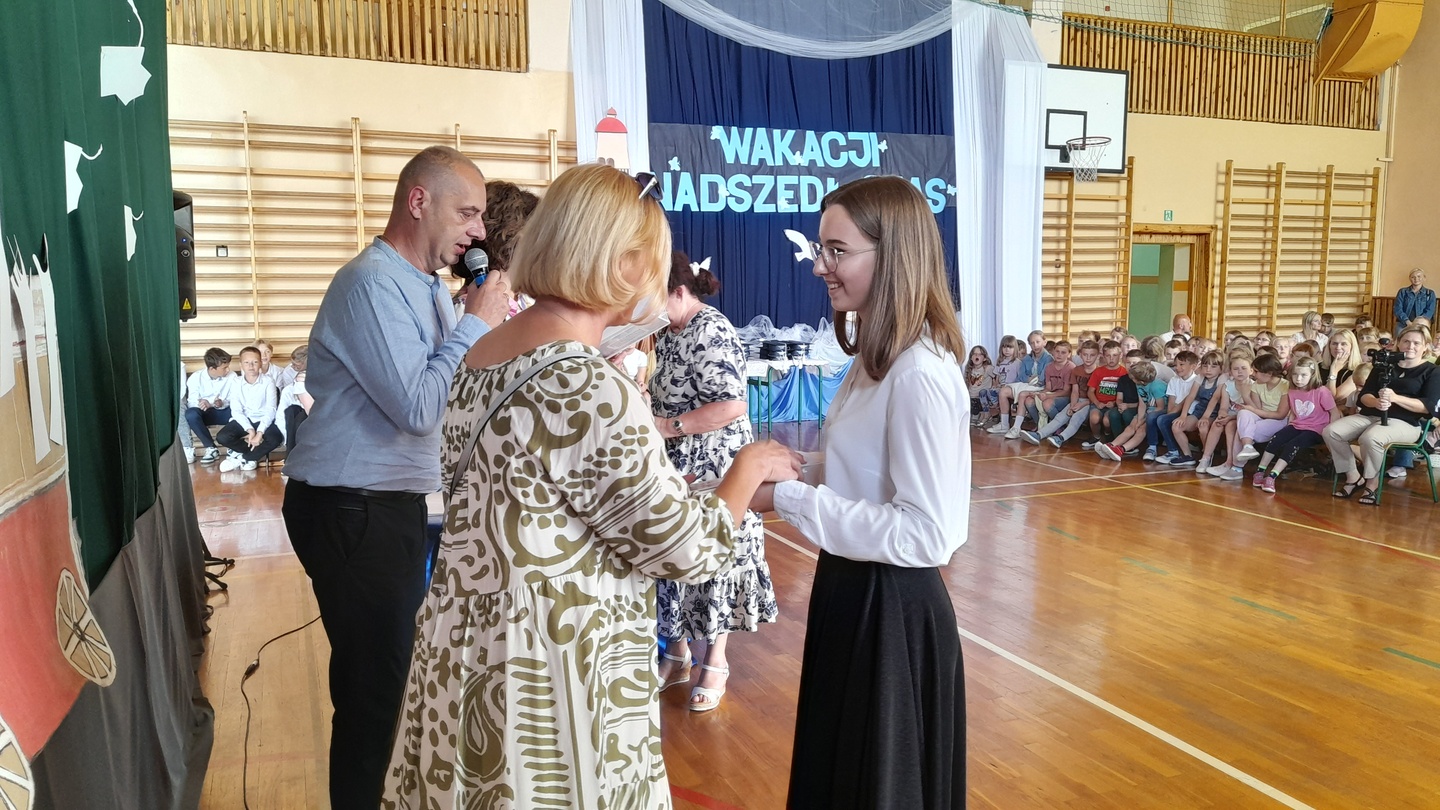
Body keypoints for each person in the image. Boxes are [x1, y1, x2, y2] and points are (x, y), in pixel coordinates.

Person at [381, 163, 801, 807]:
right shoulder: (587, 382)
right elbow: (683, 549)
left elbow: (561, 505)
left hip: (466, 652)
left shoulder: (480, 356)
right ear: (625, 264)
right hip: (548, 673)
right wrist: (749, 466)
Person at [281, 145, 511, 809]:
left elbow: (449, 387)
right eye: (467, 213)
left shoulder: (427, 287)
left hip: (390, 505)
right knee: (374, 694)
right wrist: (473, 324)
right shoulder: (371, 285)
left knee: (390, 683)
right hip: (353, 508)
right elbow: (416, 407)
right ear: (418, 201)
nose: (478, 231)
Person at [773, 176, 969, 809]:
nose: (820, 267)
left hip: (892, 612)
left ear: (895, 255)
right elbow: (864, 470)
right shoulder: (875, 357)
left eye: (837, 251)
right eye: (821, 249)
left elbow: (926, 533)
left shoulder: (919, 372)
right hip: (852, 589)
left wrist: (788, 499)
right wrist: (790, 469)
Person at [650, 250, 779, 711]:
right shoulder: (668, 331)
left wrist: (666, 426)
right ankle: (677, 653)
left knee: (716, 561)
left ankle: (715, 662)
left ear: (679, 291)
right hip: (679, 467)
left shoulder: (710, 329)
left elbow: (731, 405)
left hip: (717, 467)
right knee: (675, 558)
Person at [1324, 325, 1440, 504]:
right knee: (1331, 432)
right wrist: (1376, 402)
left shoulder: (1432, 371)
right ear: (1398, 343)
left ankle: (1372, 483)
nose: (1410, 346)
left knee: (1371, 438)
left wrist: (1396, 398)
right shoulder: (1383, 365)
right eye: (1406, 341)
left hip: (1406, 422)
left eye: (1417, 343)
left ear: (1425, 347)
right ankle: (1353, 476)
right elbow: (1364, 395)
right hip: (1370, 415)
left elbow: (1427, 407)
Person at [1250, 358, 1341, 493]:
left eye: (1303, 375)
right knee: (1277, 438)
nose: (1298, 379)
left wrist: (1329, 433)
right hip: (1298, 425)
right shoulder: (1292, 390)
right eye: (1295, 374)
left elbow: (1334, 412)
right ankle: (1260, 471)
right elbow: (1294, 410)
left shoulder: (1321, 391)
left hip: (1316, 429)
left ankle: (1272, 476)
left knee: (1293, 444)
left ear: (1312, 375)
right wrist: (1289, 425)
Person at [1219, 352, 1289, 481]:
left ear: (1268, 373)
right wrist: (1249, 404)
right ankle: (1247, 447)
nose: (1253, 374)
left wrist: (1252, 409)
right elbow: (1257, 409)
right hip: (1262, 416)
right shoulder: (1257, 384)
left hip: (1278, 421)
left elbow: (1280, 415)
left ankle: (1237, 467)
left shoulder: (1285, 386)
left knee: (1243, 430)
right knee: (1243, 413)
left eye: (1256, 371)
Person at [216, 346, 283, 471]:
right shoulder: (236, 382)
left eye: (255, 362)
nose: (251, 366)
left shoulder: (269, 381)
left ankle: (244, 458)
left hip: (265, 419)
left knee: (276, 439)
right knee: (222, 437)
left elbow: (271, 409)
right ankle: (251, 456)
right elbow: (236, 410)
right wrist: (250, 430)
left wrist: (260, 432)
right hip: (245, 419)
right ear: (241, 364)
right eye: (246, 362)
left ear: (261, 363)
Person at [1161, 350, 1223, 467]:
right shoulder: (1200, 378)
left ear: (1221, 369)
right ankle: (1187, 455)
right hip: (1199, 411)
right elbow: (1190, 396)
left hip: (1213, 413)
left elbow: (1214, 399)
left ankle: (1207, 456)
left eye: (1213, 367)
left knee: (1203, 427)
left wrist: (1205, 417)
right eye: (1205, 366)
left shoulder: (1221, 380)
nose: (1208, 370)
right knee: (1177, 426)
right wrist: (1183, 416)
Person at [988, 329, 1050, 437]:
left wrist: (1033, 379)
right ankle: (1004, 424)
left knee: (1022, 394)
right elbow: (1021, 376)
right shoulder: (1027, 359)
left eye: (1038, 342)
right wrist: (1029, 379)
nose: (1035, 345)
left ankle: (1016, 428)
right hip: (1026, 384)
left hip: (1040, 387)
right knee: (1003, 391)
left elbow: (1043, 378)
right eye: (1032, 343)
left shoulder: (1048, 359)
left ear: (1044, 342)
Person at [183, 347, 236, 464]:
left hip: (224, 411)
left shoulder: (232, 376)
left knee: (239, 411)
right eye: (224, 368)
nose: (228, 370)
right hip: (205, 413)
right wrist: (205, 403)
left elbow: (235, 399)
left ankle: (233, 447)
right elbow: (192, 402)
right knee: (191, 414)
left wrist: (221, 402)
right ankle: (211, 448)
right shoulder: (195, 378)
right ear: (212, 368)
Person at [964, 345, 994, 427]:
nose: (977, 356)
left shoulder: (988, 368)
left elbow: (997, 376)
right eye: (974, 354)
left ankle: (981, 415)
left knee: (976, 403)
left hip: (981, 397)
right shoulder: (969, 369)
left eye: (980, 354)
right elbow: (966, 382)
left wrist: (994, 386)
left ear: (984, 358)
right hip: (971, 396)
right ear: (971, 357)